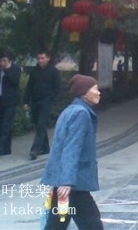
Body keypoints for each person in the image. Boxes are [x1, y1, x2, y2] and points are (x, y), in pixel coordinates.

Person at [41, 74, 104, 230]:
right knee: (92, 223)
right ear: (84, 93)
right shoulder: (81, 114)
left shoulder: (70, 110)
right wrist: (67, 182)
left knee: (57, 224)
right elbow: (72, 147)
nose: (99, 93)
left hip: (67, 181)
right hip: (75, 182)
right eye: (95, 89)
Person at [23, 50, 61, 160]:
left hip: (46, 102)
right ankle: (45, 147)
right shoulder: (34, 72)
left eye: (42, 58)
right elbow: (29, 87)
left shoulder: (53, 71)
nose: (40, 60)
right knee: (38, 124)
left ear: (48, 58)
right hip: (35, 101)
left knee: (41, 123)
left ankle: (35, 149)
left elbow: (57, 88)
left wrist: (50, 97)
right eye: (38, 58)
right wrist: (26, 101)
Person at [0, 51, 21, 159]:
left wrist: (6, 71)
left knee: (6, 124)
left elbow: (15, 81)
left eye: (5, 60)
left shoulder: (15, 69)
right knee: (1, 125)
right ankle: (6, 149)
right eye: (1, 60)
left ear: (10, 61)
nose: (2, 63)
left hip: (10, 101)